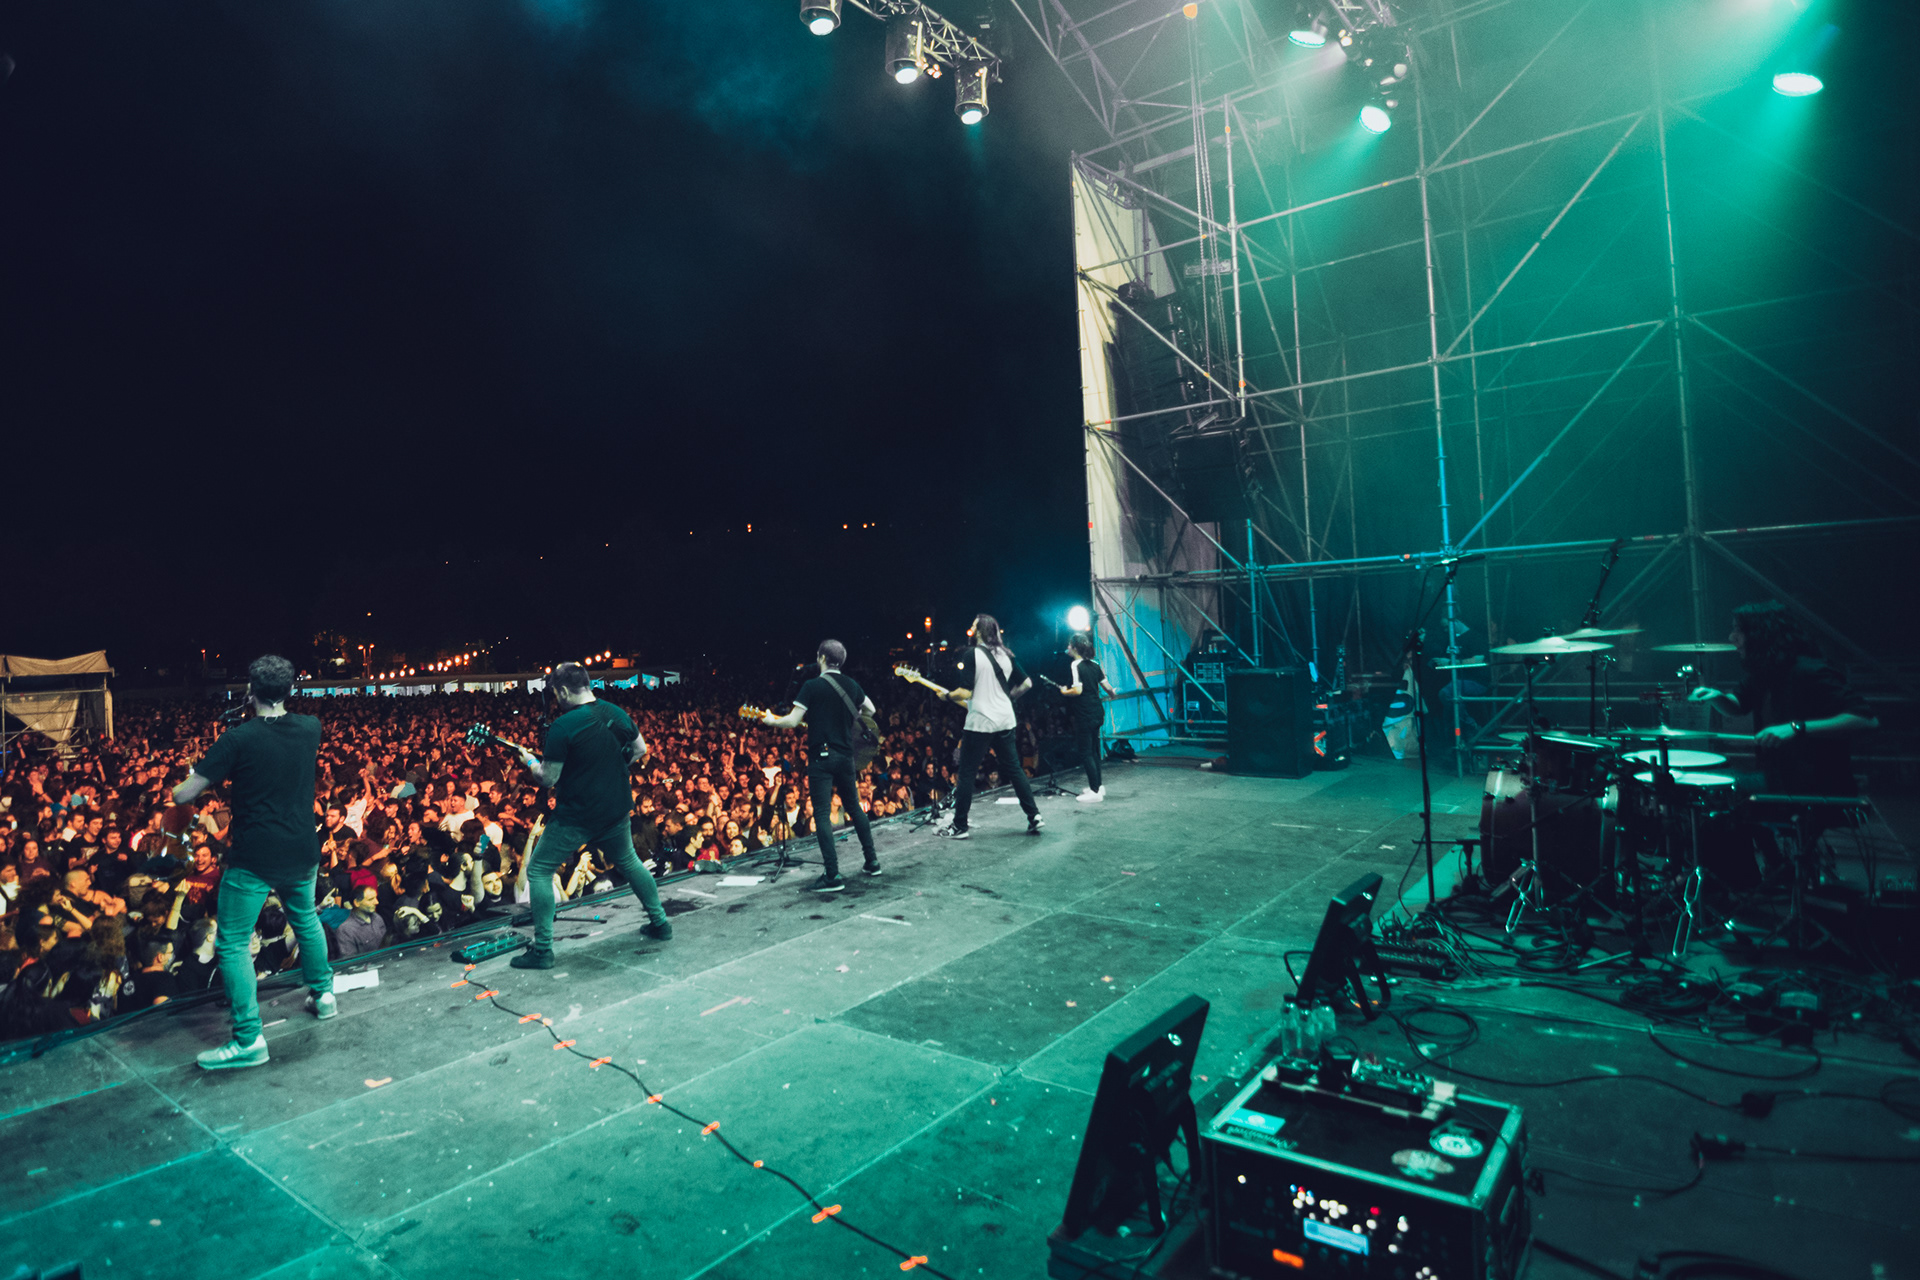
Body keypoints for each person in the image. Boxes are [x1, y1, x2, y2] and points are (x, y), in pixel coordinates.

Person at [171, 654, 336, 1070]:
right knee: (306, 919)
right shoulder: (310, 727)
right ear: (291, 689)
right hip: (301, 847)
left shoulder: (237, 739)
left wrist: (204, 764)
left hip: (255, 855)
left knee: (232, 942)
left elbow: (183, 795)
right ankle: (324, 996)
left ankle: (248, 1040)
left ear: (249, 690)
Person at [508, 662, 671, 968]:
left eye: (556, 693)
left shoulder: (562, 726)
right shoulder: (615, 712)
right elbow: (640, 749)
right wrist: (612, 766)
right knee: (629, 862)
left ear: (563, 691)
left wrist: (529, 762)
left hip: (577, 816)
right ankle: (660, 923)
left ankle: (542, 951)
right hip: (615, 808)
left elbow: (548, 778)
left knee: (539, 870)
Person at [1688, 601, 1879, 796]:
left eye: (1738, 629)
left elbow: (1866, 720)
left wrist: (1795, 728)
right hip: (1778, 778)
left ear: (1761, 633)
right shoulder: (1765, 671)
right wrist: (1717, 697)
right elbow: (1738, 705)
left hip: (1817, 787)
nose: (1731, 637)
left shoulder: (1809, 671)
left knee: (1706, 790)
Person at [757, 639, 881, 892]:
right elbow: (871, 709)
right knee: (854, 808)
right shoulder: (851, 684)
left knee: (822, 813)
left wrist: (771, 720)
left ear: (821, 658)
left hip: (821, 757)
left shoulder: (812, 686)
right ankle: (872, 861)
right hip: (846, 756)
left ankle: (832, 875)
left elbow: (792, 721)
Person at [936, 614, 1043, 840]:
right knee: (1014, 769)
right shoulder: (1006, 655)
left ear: (980, 631)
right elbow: (1027, 683)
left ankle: (960, 826)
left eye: (974, 625)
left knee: (966, 773)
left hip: (981, 721)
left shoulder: (972, 654)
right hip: (1005, 719)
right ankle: (1034, 815)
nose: (970, 628)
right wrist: (1009, 698)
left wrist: (946, 696)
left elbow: (965, 692)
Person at [1060, 633, 1116, 803]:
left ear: (1075, 648)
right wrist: (1113, 694)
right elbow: (1107, 687)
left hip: (1084, 713)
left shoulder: (1075, 665)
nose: (1067, 648)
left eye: (1069, 645)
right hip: (1097, 712)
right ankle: (1098, 786)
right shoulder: (1095, 664)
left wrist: (1065, 692)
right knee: (1094, 750)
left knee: (1086, 752)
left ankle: (1094, 791)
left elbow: (1077, 690)